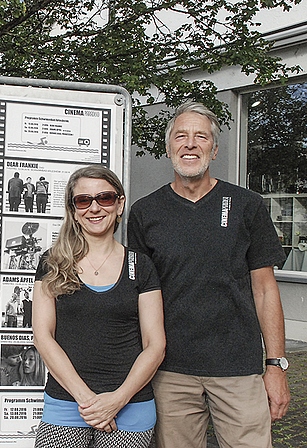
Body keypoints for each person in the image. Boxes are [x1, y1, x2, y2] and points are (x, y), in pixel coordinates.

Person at [127, 100, 290, 448]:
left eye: (201, 137)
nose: (190, 144)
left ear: (214, 149)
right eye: (181, 136)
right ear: (169, 147)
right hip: (169, 371)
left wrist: (275, 365)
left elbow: (265, 289)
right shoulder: (144, 213)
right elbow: (139, 297)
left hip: (238, 368)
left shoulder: (247, 205)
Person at [32, 165, 165, 448]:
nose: (94, 208)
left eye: (104, 198)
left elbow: (155, 345)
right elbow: (43, 337)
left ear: (119, 204)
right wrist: (89, 402)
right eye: (84, 200)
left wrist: (117, 400)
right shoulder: (52, 262)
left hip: (130, 406)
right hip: (67, 404)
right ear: (73, 209)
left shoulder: (140, 266)